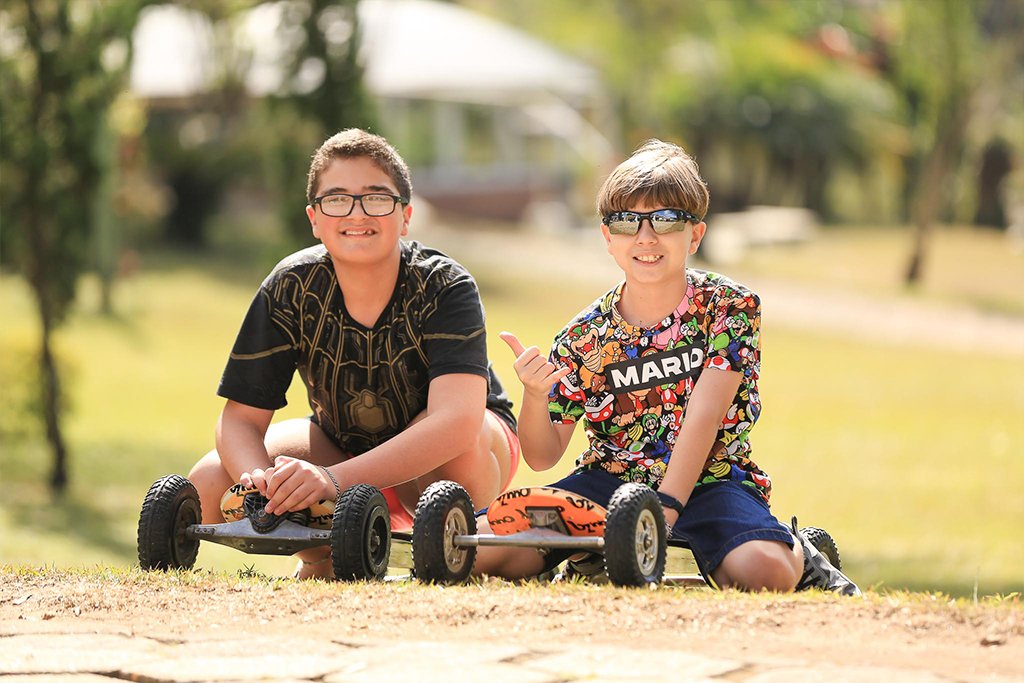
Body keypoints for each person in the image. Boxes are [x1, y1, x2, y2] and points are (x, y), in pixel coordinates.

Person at [474, 139, 859, 594]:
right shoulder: (583, 336)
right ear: (607, 238)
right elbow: (541, 456)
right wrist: (535, 398)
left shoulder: (729, 306)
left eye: (666, 219)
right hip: (609, 482)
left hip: (711, 482)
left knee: (764, 573)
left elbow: (705, 415)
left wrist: (663, 509)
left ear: (695, 234)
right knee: (484, 552)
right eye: (626, 222)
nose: (646, 237)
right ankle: (584, 555)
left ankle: (802, 550)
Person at [188, 128, 519, 579]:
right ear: (314, 218)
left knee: (457, 448)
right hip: (342, 441)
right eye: (337, 199)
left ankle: (468, 551)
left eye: (377, 198)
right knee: (208, 481)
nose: (357, 213)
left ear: (405, 216)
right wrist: (260, 483)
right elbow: (241, 419)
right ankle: (324, 554)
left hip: (454, 450)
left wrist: (334, 480)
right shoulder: (291, 285)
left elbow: (457, 422)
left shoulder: (445, 285)